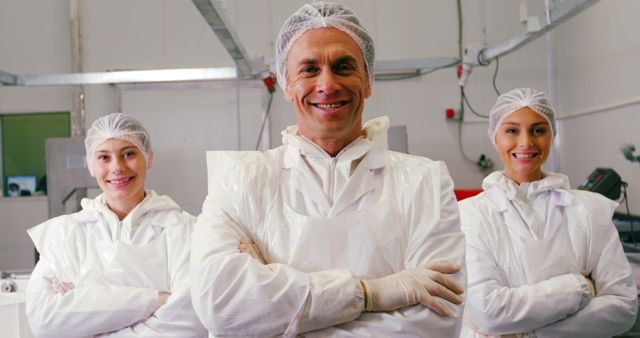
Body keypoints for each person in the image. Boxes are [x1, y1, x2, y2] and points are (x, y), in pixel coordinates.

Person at [190, 2, 466, 337]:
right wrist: (370, 294)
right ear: (286, 85)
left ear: (368, 80)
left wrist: (275, 315)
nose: (327, 84)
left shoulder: (425, 181)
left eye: (343, 66)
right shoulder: (241, 181)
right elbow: (219, 306)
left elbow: (434, 326)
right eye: (308, 69)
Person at [459, 88, 638, 338]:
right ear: (494, 137)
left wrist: (528, 334)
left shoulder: (589, 210)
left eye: (538, 130)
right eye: (511, 130)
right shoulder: (470, 215)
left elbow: (623, 307)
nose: (526, 142)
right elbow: (490, 312)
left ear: (552, 135)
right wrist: (578, 288)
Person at [25, 113, 207, 338]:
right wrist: (157, 300)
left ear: (148, 158)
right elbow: (44, 322)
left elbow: (190, 323)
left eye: (128, 153)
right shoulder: (65, 235)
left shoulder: (184, 230)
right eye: (104, 157)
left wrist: (86, 310)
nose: (117, 167)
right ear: (91, 165)